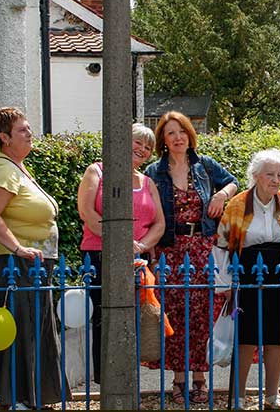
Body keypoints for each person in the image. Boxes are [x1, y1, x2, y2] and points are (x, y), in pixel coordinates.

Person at [0, 107, 68, 409]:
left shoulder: (17, 167)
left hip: (34, 265)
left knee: (35, 330)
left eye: (28, 128)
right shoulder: (2, 168)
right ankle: (18, 398)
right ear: (4, 137)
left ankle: (33, 396)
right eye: (23, 129)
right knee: (22, 330)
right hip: (16, 265)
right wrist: (18, 249)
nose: (29, 133)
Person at [144, 111, 239, 405]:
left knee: (202, 314)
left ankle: (200, 378)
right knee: (174, 314)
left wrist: (221, 195)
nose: (178, 138)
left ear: (190, 135)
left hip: (202, 247)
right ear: (163, 139)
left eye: (182, 132)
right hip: (170, 250)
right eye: (171, 133)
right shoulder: (153, 172)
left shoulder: (204, 165)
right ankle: (179, 379)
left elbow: (233, 181)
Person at [216, 148, 280, 409]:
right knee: (246, 337)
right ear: (256, 176)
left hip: (279, 274)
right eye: (270, 174)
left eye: (279, 175)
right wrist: (225, 284)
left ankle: (272, 396)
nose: (276, 180)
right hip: (248, 273)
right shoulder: (237, 203)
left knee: (275, 337)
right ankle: (238, 396)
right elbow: (221, 244)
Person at [76, 122, 166, 385]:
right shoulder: (97, 171)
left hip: (138, 258)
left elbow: (159, 223)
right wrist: (121, 242)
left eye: (148, 147)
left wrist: (139, 245)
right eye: (137, 142)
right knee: (105, 319)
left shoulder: (147, 182)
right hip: (101, 255)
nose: (142, 149)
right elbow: (87, 213)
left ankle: (130, 380)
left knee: (136, 320)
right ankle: (107, 382)